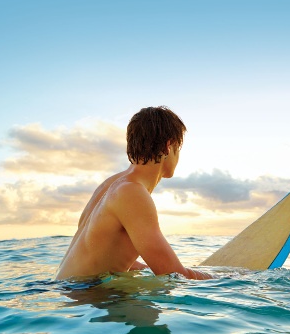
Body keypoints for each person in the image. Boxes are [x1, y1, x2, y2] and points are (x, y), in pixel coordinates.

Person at [55, 106, 211, 281]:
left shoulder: (111, 184)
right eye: (179, 148)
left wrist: (145, 268)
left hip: (65, 291)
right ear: (169, 146)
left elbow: (100, 255)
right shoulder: (131, 192)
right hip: (83, 294)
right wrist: (229, 278)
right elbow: (173, 274)